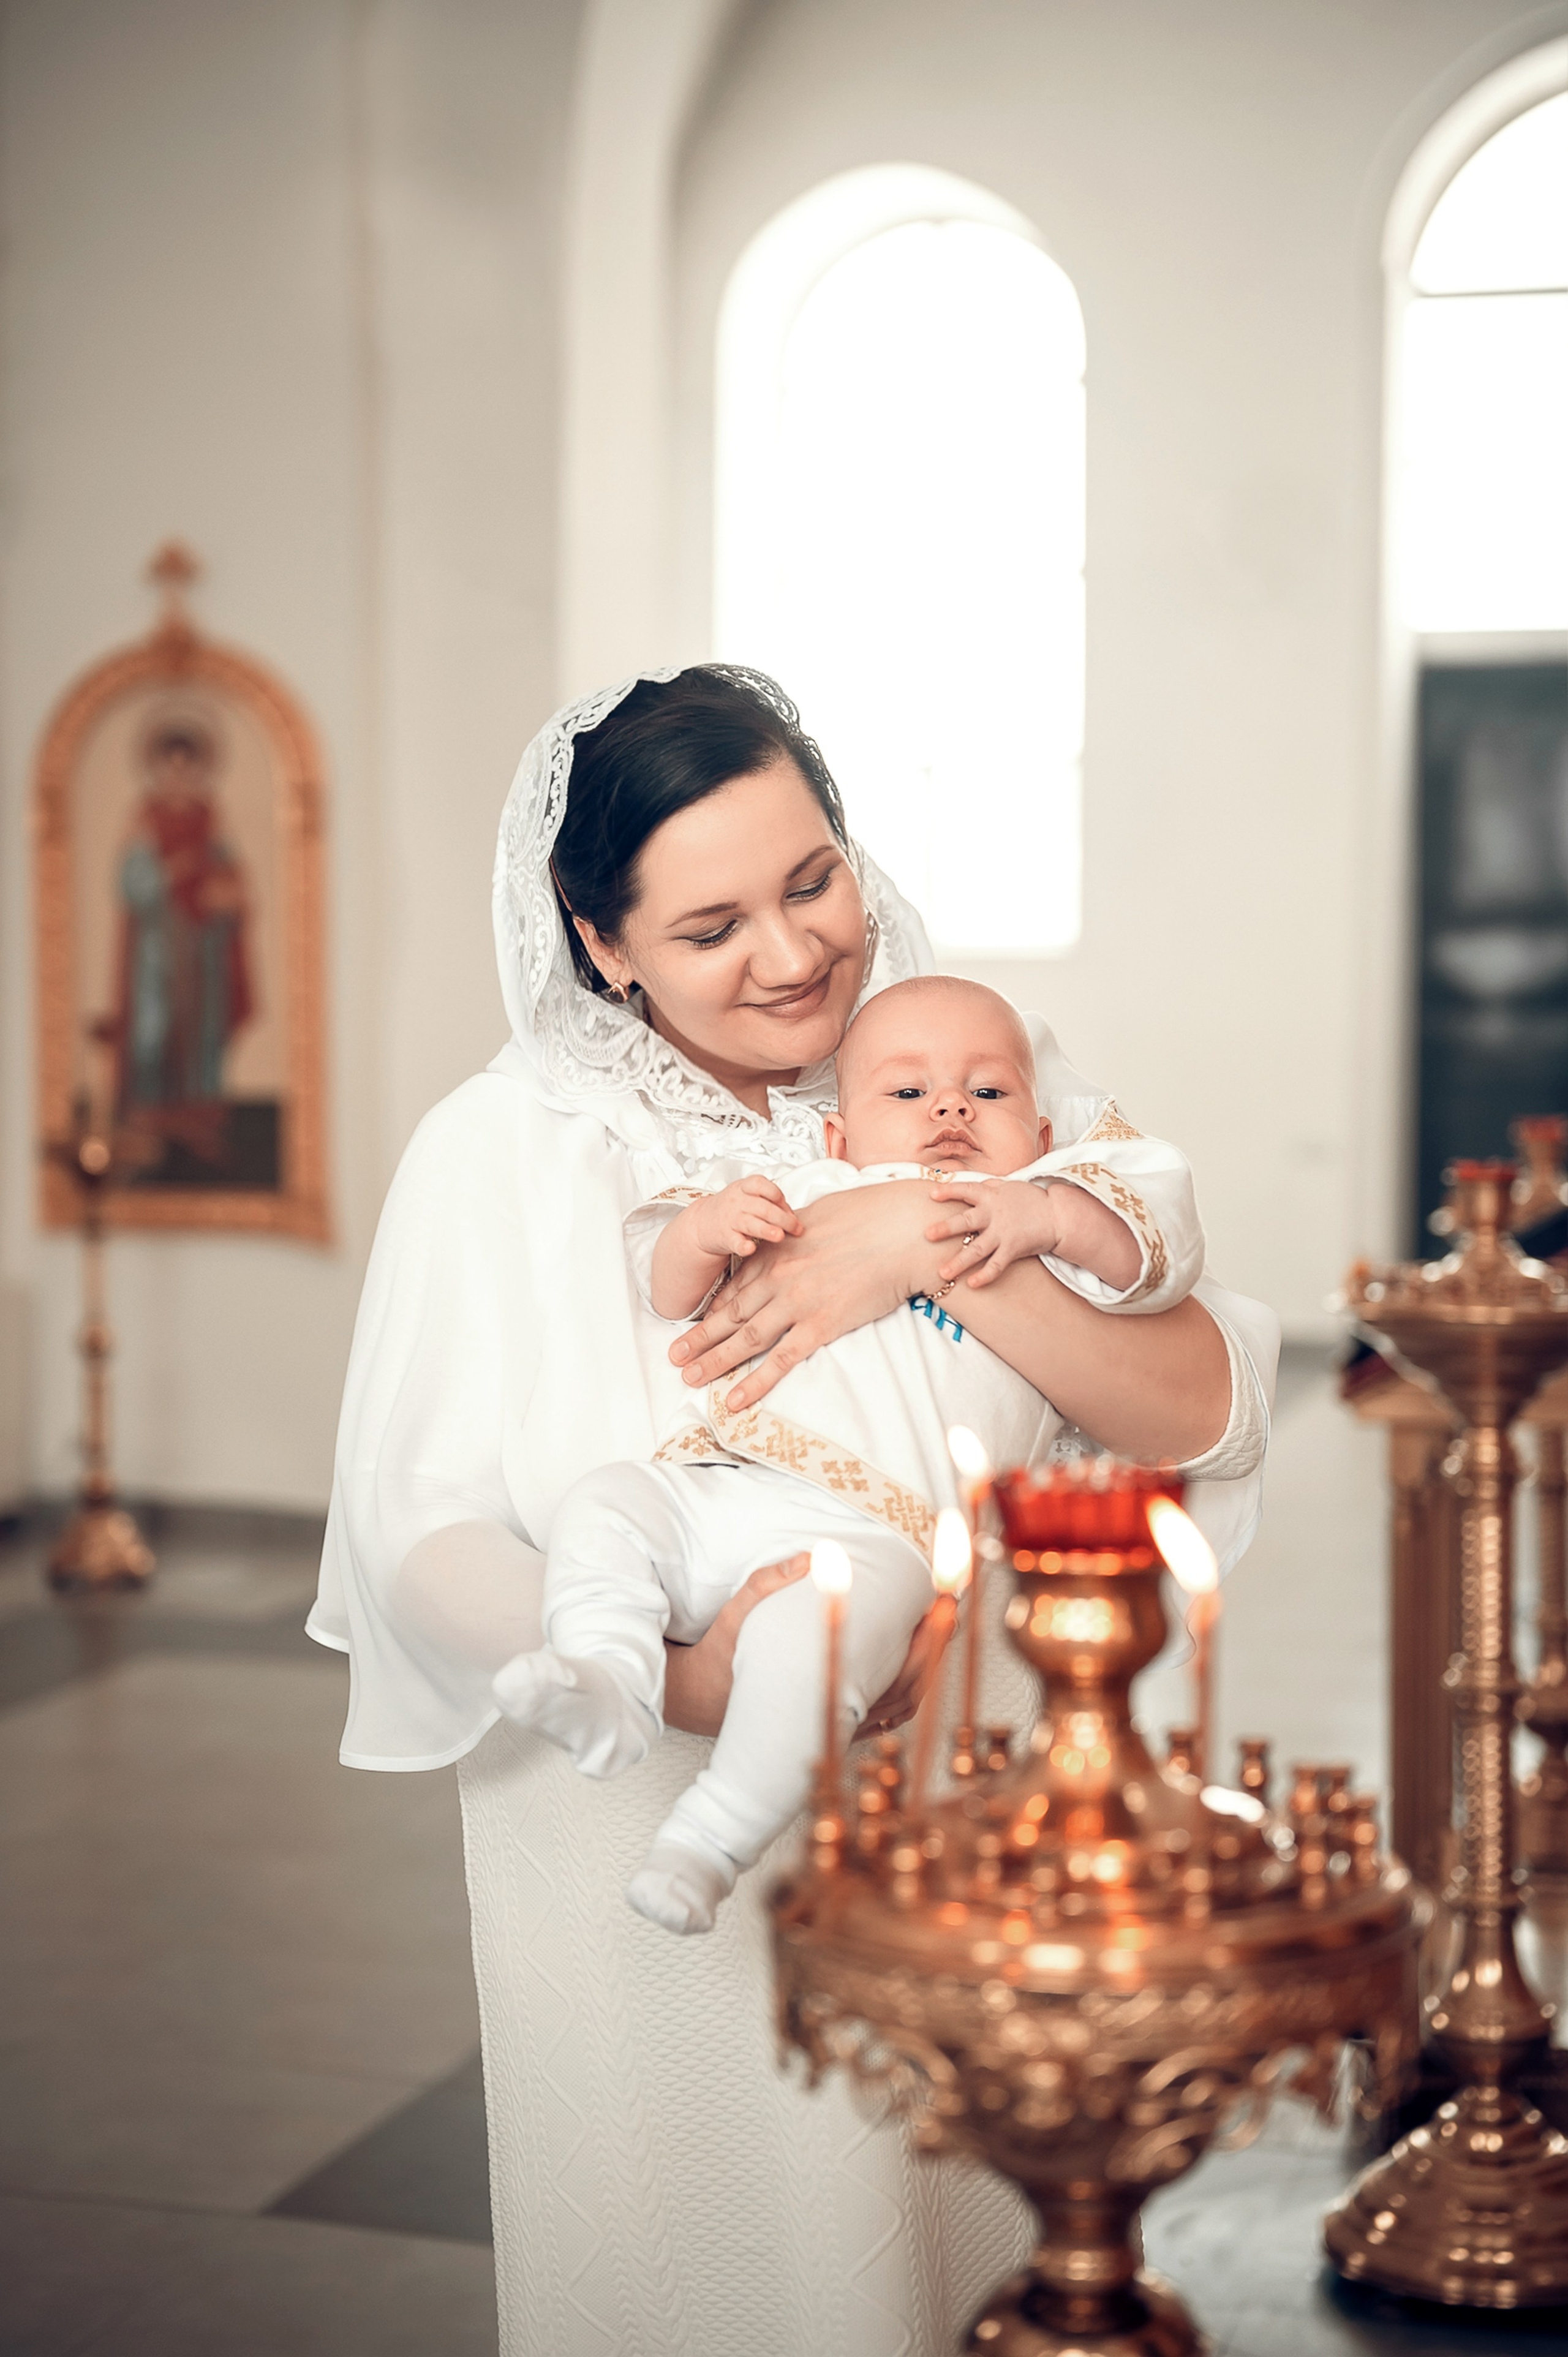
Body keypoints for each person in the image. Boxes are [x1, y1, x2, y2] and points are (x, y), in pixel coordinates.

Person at [309, 665, 1279, 2357]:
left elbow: (1205, 1399)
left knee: (956, 2253)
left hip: (958, 1806)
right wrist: (707, 1683)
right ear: (601, 943)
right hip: (636, 1831)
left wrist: (924, 1241)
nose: (792, 956)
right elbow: (418, 1531)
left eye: (812, 881)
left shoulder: (962, 1062)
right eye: (710, 927)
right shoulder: (504, 1151)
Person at [496, 973, 1236, 1937]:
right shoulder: (810, 1191)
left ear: (1043, 1139)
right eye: (906, 1093)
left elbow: (1159, 1252)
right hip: (725, 1482)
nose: (948, 1112)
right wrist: (705, 1230)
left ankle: (709, 1842)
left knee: (812, 1659)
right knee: (607, 1506)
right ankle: (607, 1675)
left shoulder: (1041, 1230)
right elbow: (664, 1282)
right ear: (838, 1137)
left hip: (881, 1537)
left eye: (988, 1093)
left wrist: (1053, 1215)